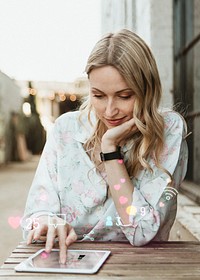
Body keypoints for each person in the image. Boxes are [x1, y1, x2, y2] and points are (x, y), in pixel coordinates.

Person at [21, 29, 188, 264]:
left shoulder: (168, 130)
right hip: (69, 266)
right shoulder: (66, 130)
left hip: (141, 268)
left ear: (146, 90)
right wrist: (46, 221)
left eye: (125, 95)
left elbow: (142, 231)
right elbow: (31, 219)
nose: (110, 111)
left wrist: (111, 150)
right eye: (99, 96)